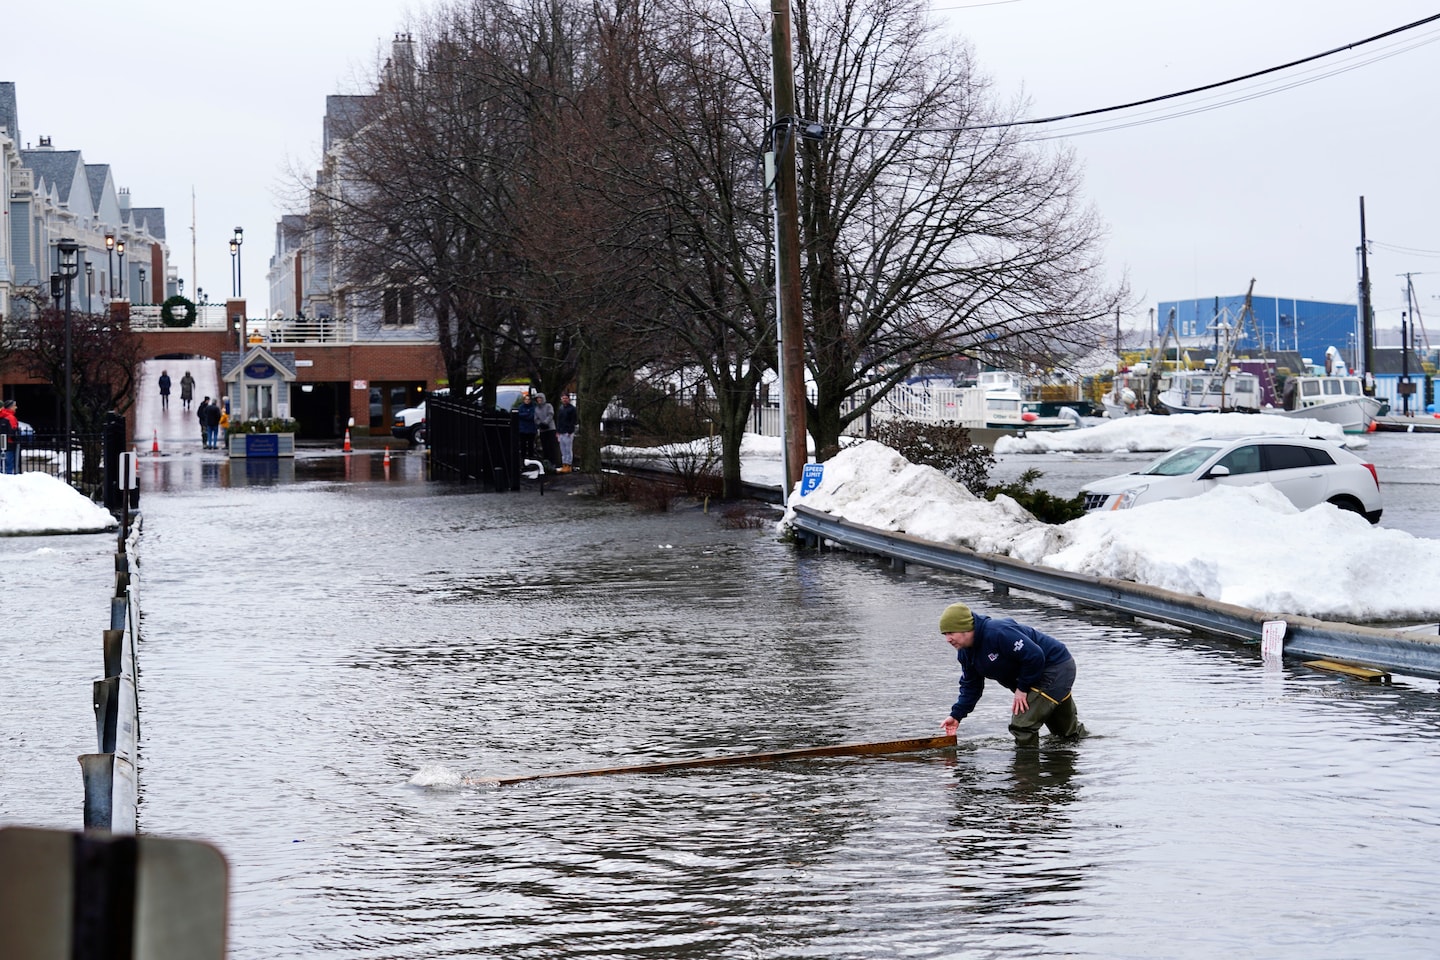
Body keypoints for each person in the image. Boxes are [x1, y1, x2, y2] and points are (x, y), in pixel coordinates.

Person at [938, 602, 1085, 747]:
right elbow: (971, 687)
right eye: (945, 634)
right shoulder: (965, 654)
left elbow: (1034, 656)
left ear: (965, 628)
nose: (947, 639)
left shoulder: (997, 632)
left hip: (1056, 667)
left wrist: (1022, 689)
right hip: (1033, 679)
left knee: (1022, 726)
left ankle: (1024, 769)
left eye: (951, 633)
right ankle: (1083, 756)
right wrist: (956, 715)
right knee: (1067, 735)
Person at [533, 392, 559, 467]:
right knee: (545, 446)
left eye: (540, 398)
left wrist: (545, 422)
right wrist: (540, 424)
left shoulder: (548, 406)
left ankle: (553, 462)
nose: (539, 400)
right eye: (537, 399)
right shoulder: (536, 409)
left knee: (552, 445)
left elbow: (550, 414)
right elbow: (535, 418)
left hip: (550, 428)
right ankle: (546, 462)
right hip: (542, 429)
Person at [555, 392, 578, 473]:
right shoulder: (561, 408)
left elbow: (573, 421)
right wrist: (557, 431)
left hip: (568, 432)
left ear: (568, 399)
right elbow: (558, 421)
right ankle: (564, 464)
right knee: (563, 450)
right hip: (561, 431)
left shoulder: (572, 409)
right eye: (563, 398)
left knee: (568, 449)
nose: (564, 400)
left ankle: (568, 465)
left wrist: (570, 431)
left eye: (566, 398)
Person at [516, 392, 538, 460]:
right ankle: (523, 458)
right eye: (526, 399)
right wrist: (527, 414)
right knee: (523, 444)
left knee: (531, 444)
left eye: (528, 399)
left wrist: (524, 415)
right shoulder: (521, 407)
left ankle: (531, 457)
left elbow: (532, 416)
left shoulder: (533, 407)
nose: (527, 400)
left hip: (531, 429)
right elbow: (519, 415)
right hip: (523, 429)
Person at [0, 399, 19, 474]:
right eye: (14, 406)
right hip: (9, 444)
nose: (16, 407)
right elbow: (13, 431)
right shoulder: (10, 417)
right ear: (10, 407)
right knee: (8, 466)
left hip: (2, 443)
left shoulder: (2, 415)